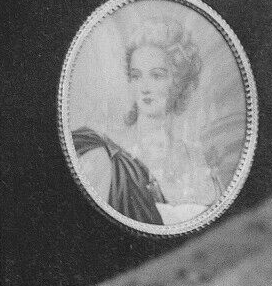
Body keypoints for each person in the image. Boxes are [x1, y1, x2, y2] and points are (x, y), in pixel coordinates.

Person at [74, 15, 222, 226]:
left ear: (178, 82)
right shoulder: (105, 153)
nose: (144, 87)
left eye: (156, 75)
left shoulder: (197, 159)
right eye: (136, 76)